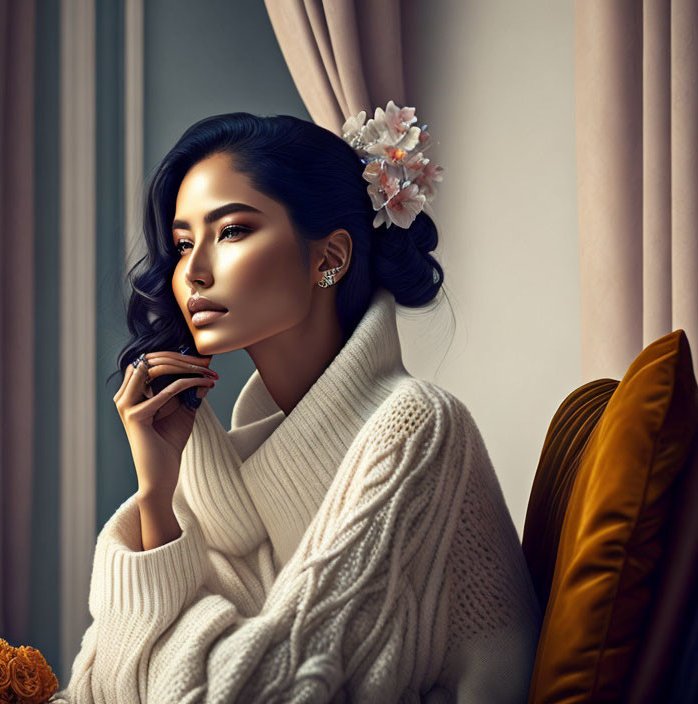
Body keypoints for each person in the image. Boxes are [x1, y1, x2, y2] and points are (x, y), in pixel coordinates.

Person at [58, 107, 541, 702]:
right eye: (184, 244)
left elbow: (254, 692)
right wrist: (157, 495)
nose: (193, 273)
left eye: (231, 231)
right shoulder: (223, 461)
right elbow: (99, 689)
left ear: (329, 258)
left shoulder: (417, 426)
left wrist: (184, 645)